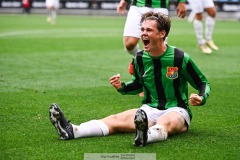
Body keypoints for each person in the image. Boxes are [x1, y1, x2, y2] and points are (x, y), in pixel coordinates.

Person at [49, 11, 211, 147]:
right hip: (148, 109)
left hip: (177, 110)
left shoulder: (180, 57)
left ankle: (146, 136)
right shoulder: (139, 58)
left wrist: (201, 97)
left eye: (149, 30)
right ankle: (72, 131)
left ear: (162, 34)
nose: (143, 34)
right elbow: (138, 85)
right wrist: (122, 87)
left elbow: (202, 82)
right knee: (114, 120)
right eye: (142, 29)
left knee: (166, 121)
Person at [117, 0, 186, 97]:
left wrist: (182, 2)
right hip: (138, 5)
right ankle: (138, 58)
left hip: (160, 7)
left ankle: (148, 85)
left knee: (159, 48)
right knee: (129, 43)